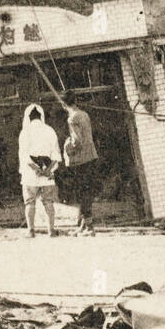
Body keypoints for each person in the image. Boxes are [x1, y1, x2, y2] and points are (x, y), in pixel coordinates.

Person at [18, 103, 62, 238]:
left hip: (30, 173)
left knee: (30, 202)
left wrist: (36, 169)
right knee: (48, 202)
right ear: (41, 116)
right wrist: (47, 170)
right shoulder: (50, 130)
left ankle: (31, 231)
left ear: (27, 117)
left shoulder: (25, 132)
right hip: (47, 172)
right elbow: (56, 153)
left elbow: (24, 155)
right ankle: (51, 231)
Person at [62, 90, 99, 235]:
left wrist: (67, 147)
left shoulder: (72, 118)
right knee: (87, 191)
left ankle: (89, 227)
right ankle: (83, 226)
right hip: (91, 156)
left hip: (81, 160)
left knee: (82, 192)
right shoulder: (84, 114)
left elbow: (77, 141)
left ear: (64, 104)